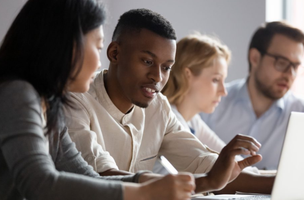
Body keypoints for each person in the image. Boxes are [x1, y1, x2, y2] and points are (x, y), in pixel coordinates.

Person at [0, 1, 197, 200]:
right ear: (66, 44)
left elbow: (87, 177)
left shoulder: (49, 104)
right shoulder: (17, 93)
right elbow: (40, 184)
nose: (99, 62)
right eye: (98, 45)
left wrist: (143, 181)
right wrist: (143, 192)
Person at [65, 8, 274, 194]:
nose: (157, 77)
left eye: (166, 67)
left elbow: (202, 163)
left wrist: (226, 167)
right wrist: (208, 180)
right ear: (114, 53)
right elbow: (102, 176)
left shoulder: (158, 107)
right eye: (147, 62)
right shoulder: (76, 101)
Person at [200, 21, 304, 170]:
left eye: (295, 66)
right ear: (255, 58)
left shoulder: (301, 113)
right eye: (282, 63)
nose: (290, 75)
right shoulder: (213, 102)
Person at [162, 33, 260, 174]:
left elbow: (235, 163)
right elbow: (216, 169)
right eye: (215, 80)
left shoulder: (193, 121)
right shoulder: (170, 118)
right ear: (187, 75)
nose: (223, 91)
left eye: (223, 80)